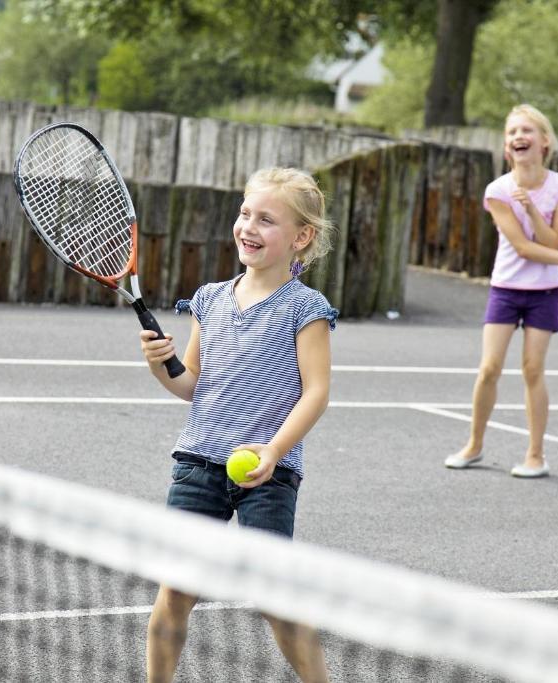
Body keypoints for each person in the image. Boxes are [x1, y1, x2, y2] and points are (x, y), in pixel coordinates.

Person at [139, 167, 338, 683]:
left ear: (301, 237)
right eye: (245, 213)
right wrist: (161, 364)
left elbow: (316, 392)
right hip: (198, 465)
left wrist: (273, 451)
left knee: (277, 599)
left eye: (266, 219)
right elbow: (190, 385)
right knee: (175, 591)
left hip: (267, 475)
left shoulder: (306, 308)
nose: (249, 226)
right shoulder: (209, 298)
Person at [444, 104, 558, 478]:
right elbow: (524, 248)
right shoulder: (498, 190)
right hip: (505, 288)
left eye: (527, 131)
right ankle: (474, 445)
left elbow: (550, 239)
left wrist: (533, 210)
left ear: (544, 142)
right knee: (489, 368)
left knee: (533, 370)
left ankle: (536, 455)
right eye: (512, 132)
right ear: (507, 148)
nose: (519, 137)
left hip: (544, 292)